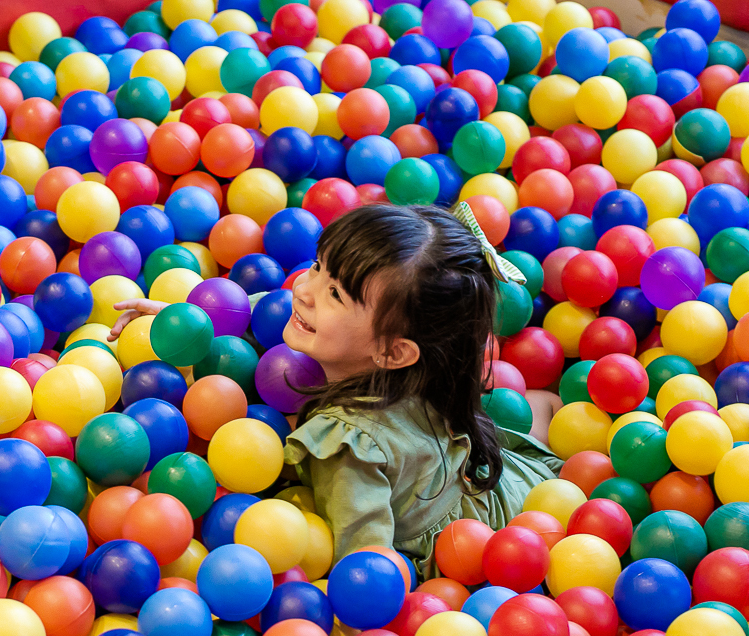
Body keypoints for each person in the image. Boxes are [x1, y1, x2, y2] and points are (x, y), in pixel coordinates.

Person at [108, 203, 562, 577]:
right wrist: (186, 326)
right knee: (541, 406)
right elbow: (262, 312)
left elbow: (364, 567)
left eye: (337, 295)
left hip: (486, 549)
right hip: (495, 481)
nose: (303, 291)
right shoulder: (426, 364)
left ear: (392, 351)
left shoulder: (348, 445)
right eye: (318, 266)